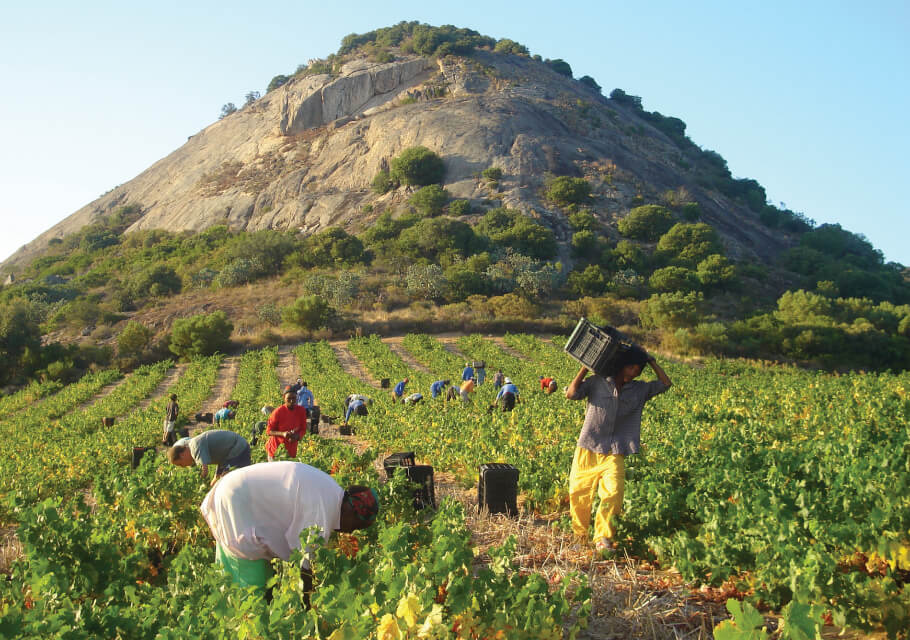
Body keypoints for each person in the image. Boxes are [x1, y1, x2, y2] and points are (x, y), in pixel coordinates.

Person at [200, 461, 379, 596]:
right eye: (356, 527)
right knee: (248, 580)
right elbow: (303, 563)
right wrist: (308, 603)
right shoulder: (324, 510)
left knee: (260, 571)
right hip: (236, 498)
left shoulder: (331, 493)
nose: (350, 532)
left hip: (236, 490)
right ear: (351, 512)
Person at [565, 345, 671, 556]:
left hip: (616, 450)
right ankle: (579, 536)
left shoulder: (640, 390)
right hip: (589, 446)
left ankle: (603, 537)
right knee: (578, 493)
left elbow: (665, 383)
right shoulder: (598, 382)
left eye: (638, 370)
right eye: (631, 368)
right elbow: (571, 393)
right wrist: (585, 367)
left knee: (613, 494)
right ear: (622, 366)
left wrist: (651, 361)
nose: (634, 373)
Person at [168, 430, 252, 485]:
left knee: (229, 481)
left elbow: (204, 472)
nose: (183, 466)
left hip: (238, 448)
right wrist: (212, 483)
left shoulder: (194, 447)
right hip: (228, 456)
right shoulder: (192, 446)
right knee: (216, 482)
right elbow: (216, 476)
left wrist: (197, 486)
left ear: (182, 455)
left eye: (180, 464)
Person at [265, 391, 309, 462]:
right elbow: (269, 431)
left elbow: (303, 429)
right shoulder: (277, 412)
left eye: (294, 398)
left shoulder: (301, 411)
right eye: (289, 398)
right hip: (276, 451)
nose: (291, 401)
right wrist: (283, 434)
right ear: (284, 399)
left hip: (291, 451)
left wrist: (297, 436)